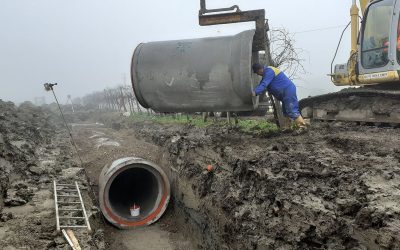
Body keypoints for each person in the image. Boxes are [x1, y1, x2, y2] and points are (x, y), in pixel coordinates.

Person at [251, 63, 306, 128]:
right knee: (285, 112)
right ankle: (287, 128)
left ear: (260, 70)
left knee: (292, 110)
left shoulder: (269, 71)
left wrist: (255, 92)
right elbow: (262, 84)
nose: (258, 74)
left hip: (287, 91)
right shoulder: (267, 73)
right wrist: (257, 91)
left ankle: (302, 127)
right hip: (285, 92)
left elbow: (264, 84)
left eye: (257, 73)